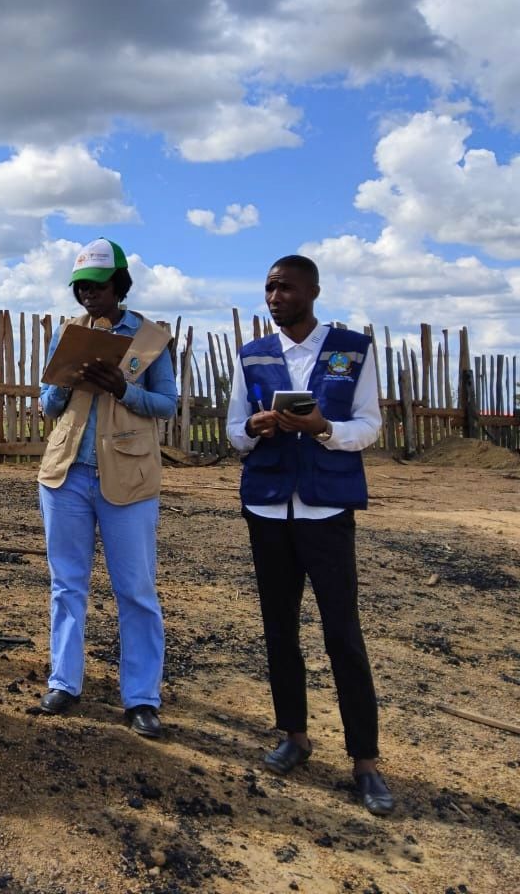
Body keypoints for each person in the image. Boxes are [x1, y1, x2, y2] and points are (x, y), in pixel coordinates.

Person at [226, 254, 393, 816]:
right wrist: (254, 426)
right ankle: (294, 735)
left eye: (286, 288)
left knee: (342, 632)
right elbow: (233, 431)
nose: (275, 297)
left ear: (313, 291)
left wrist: (324, 429)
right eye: (269, 287)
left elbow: (369, 425)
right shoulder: (252, 356)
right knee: (279, 629)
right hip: (269, 510)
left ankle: (365, 761)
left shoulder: (351, 349)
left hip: (326, 511)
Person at [36, 238, 177, 738]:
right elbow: (49, 406)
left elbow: (167, 405)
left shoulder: (151, 338)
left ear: (119, 284)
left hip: (129, 478)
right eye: (81, 287)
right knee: (66, 583)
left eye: (97, 286)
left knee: (135, 589)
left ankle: (141, 697)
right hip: (66, 475)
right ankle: (64, 682)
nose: (88, 296)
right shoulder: (70, 333)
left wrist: (122, 389)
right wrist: (66, 380)